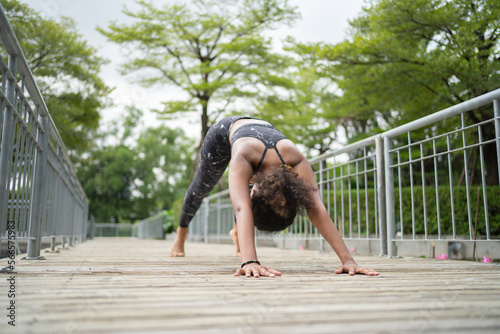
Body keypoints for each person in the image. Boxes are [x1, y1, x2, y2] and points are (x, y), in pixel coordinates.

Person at [170, 115, 379, 278]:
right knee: (201, 187)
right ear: (255, 194)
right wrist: (249, 262)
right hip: (223, 132)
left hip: (258, 132)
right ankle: (181, 234)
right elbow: (242, 209)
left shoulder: (295, 160)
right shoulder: (248, 156)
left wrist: (348, 260)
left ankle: (237, 236)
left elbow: (315, 207)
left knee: (239, 191)